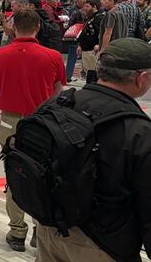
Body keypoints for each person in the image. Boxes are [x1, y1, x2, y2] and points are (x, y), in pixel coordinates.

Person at [35, 38, 151, 262]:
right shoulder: (138, 131)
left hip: (49, 230)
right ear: (141, 78)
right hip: (102, 243)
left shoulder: (57, 104)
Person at [0, 8, 66, 251]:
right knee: (43, 177)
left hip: (10, 123)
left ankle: (16, 231)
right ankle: (38, 229)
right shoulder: (53, 56)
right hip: (42, 123)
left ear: (13, 27)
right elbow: (58, 91)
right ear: (38, 27)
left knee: (14, 176)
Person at [78, 0, 105, 84]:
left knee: (93, 74)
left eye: (87, 6)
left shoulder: (99, 18)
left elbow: (102, 33)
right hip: (86, 49)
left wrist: (99, 44)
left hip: (93, 50)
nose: (85, 8)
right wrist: (80, 45)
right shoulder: (89, 18)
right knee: (88, 73)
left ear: (94, 7)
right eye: (84, 6)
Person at [64, 0, 88, 81]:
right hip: (81, 36)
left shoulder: (74, 11)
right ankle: (73, 75)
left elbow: (70, 24)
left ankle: (68, 75)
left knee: (73, 56)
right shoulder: (83, 12)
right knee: (79, 56)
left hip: (76, 36)